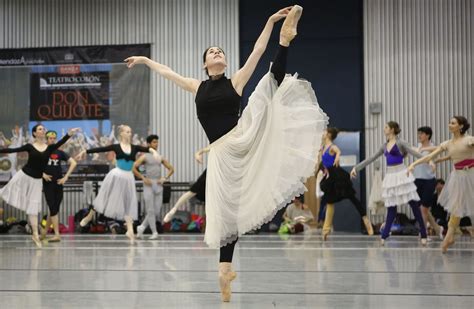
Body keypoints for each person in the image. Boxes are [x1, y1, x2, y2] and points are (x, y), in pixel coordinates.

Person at [125, 5, 328, 302]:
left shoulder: (234, 81)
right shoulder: (197, 86)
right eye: (212, 52)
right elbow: (168, 72)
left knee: (267, 87)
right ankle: (224, 270)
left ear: (224, 61)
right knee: (227, 213)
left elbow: (257, 51)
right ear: (205, 63)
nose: (218, 53)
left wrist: (271, 20)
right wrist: (144, 59)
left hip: (239, 139)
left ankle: (285, 39)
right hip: (224, 153)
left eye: (221, 51)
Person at [76, 125, 160, 243]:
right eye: (127, 131)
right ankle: (89, 216)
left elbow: (147, 149)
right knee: (104, 197)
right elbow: (101, 149)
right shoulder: (116, 146)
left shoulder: (134, 148)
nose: (130, 133)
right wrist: (85, 151)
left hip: (128, 178)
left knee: (128, 202)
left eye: (130, 131)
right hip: (116, 175)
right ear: (121, 134)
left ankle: (130, 230)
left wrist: (153, 152)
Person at [0, 125, 80, 247]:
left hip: (36, 181)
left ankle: (36, 235)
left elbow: (61, 142)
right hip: (24, 175)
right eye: (40, 129)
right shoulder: (30, 146)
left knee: (33, 208)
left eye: (43, 129)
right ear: (34, 133)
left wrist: (69, 134)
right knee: (5, 191)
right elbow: (12, 151)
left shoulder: (49, 148)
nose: (42, 130)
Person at [350, 121, 427, 246]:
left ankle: (423, 233)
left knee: (413, 204)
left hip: (402, 174)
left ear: (392, 129)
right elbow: (371, 158)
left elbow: (415, 153)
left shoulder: (401, 143)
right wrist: (356, 168)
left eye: (386, 127)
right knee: (391, 207)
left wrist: (430, 161)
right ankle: (384, 235)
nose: (384, 129)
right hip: (390, 176)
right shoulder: (384, 146)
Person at [408, 116, 473, 253]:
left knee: (458, 207)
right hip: (458, 177)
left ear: (460, 126)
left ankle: (449, 237)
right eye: (449, 122)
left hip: (471, 175)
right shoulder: (447, 143)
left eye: (453, 123)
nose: (449, 125)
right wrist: (413, 164)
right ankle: (448, 237)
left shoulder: (468, 140)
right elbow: (429, 157)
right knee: (456, 207)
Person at [318, 128, 373, 240]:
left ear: (328, 135)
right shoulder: (323, 148)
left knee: (352, 198)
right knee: (329, 203)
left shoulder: (332, 147)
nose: (322, 133)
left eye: (324, 132)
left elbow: (338, 151)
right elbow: (322, 163)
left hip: (338, 177)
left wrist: (338, 156)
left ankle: (366, 220)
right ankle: (325, 230)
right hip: (329, 179)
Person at [133, 134, 174, 240]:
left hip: (158, 185)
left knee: (156, 211)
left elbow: (171, 169)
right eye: (154, 142)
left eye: (157, 142)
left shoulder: (159, 157)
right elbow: (133, 168)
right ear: (149, 144)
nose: (157, 144)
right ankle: (154, 232)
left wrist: (165, 178)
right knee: (150, 210)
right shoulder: (144, 156)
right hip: (148, 185)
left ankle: (141, 227)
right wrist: (143, 178)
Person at [40, 130, 77, 242]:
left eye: (53, 138)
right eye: (50, 138)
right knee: (53, 208)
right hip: (48, 184)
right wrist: (43, 174)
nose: (52, 140)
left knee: (54, 209)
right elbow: (34, 165)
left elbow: (74, 163)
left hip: (58, 183)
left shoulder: (60, 153)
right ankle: (57, 234)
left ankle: (44, 232)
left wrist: (66, 177)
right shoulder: (43, 152)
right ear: (46, 139)